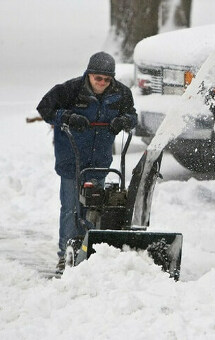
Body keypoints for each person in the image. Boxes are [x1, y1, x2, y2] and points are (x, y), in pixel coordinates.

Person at [37, 51, 137, 272]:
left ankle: (88, 253)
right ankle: (65, 255)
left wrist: (123, 121)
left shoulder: (121, 93)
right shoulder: (70, 90)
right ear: (89, 74)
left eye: (106, 79)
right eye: (97, 78)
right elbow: (45, 108)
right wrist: (68, 117)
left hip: (99, 161)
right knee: (71, 208)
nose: (101, 83)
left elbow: (132, 116)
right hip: (72, 159)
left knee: (95, 207)